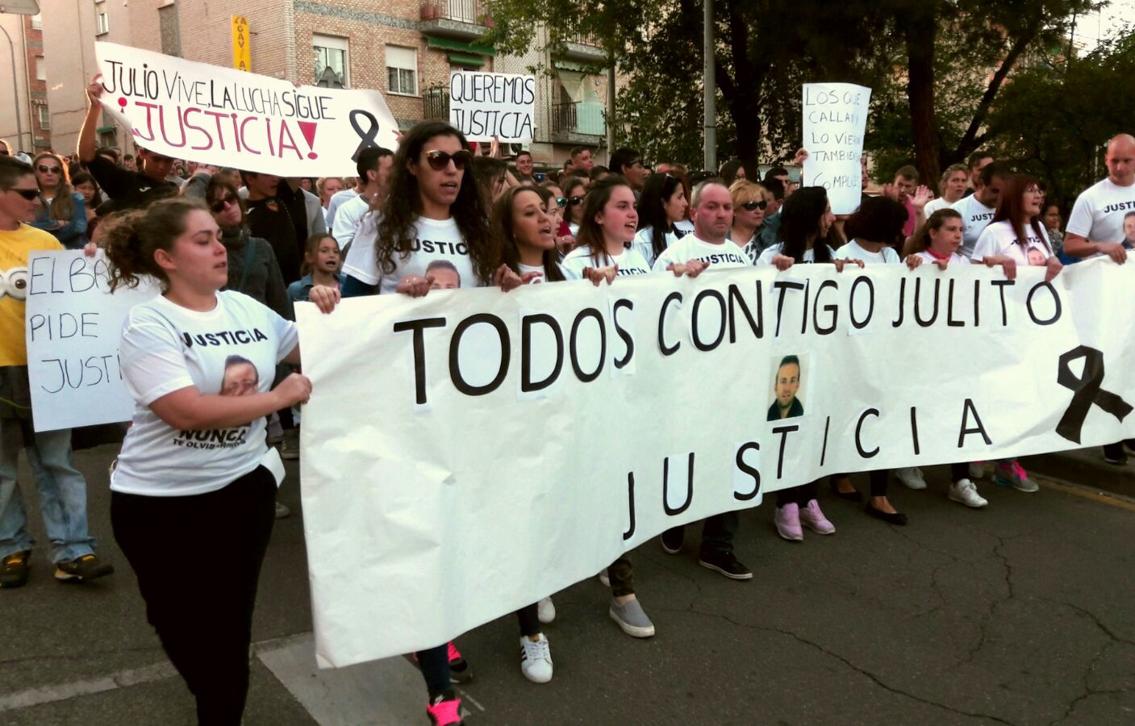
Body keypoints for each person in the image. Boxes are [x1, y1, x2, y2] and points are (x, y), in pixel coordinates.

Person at [102, 196, 328, 724]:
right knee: (177, 622)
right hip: (157, 505)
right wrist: (278, 398)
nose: (219, 248)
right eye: (201, 240)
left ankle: (219, 708)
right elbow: (184, 411)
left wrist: (342, 303)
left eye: (218, 237)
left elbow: (322, 344)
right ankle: (212, 687)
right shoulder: (148, 324)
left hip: (240, 493)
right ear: (166, 258)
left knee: (229, 630)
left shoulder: (248, 310)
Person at [332, 120, 524, 725]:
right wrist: (396, 301)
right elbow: (350, 310)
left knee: (458, 521)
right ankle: (439, 686)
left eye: (460, 161)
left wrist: (505, 284)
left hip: (466, 404)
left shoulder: (476, 228)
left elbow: (489, 301)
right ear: (412, 164)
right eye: (438, 159)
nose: (451, 170)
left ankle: (434, 630)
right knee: (424, 529)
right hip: (404, 405)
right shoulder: (378, 229)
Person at [0, 156, 114, 590]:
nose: (37, 201)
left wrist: (89, 265)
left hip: (46, 370)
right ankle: (10, 548)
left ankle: (72, 548)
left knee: (57, 463)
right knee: (3, 470)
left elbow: (73, 301)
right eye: (28, 194)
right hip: (1, 371)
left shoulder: (44, 244)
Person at [653, 180, 754, 578]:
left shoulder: (741, 258)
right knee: (685, 455)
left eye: (727, 207)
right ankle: (673, 519)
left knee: (732, 457)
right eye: (712, 207)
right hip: (688, 383)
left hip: (731, 381)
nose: (722, 214)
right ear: (694, 213)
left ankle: (718, 545)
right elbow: (658, 320)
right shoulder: (673, 256)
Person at [972, 174, 1063, 490]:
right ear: (1013, 196)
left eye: (1040, 190)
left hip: (1030, 328)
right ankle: (984, 450)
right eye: (1031, 191)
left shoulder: (1040, 231)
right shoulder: (995, 231)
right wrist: (993, 261)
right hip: (999, 328)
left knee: (1021, 395)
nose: (1038, 195)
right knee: (997, 393)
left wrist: (1053, 264)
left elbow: (1043, 269)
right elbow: (969, 274)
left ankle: (1007, 460)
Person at [901, 209, 990, 509]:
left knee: (960, 411)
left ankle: (960, 479)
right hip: (924, 357)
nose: (958, 235)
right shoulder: (917, 263)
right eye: (951, 229)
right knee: (921, 410)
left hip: (958, 355)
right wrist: (915, 270)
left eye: (961, 230)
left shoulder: (965, 263)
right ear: (932, 232)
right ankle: (907, 459)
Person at [78, 76, 180, 210]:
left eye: (168, 161)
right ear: (142, 153)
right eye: (156, 159)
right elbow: (87, 156)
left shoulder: (175, 191)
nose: (161, 166)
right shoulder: (126, 182)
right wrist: (95, 108)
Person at [560, 176, 652, 280]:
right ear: (599, 216)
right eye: (622, 206)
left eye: (634, 207)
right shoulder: (575, 263)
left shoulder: (638, 258)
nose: (633, 214)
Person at [331, 146, 395, 253]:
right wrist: (372, 219)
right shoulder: (347, 210)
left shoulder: (403, 206)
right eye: (390, 169)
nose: (397, 173)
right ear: (372, 174)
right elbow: (344, 251)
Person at [951, 161, 1011, 258]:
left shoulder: (1012, 209)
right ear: (982, 184)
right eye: (995, 191)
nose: (999, 197)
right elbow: (950, 250)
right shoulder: (958, 210)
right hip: (970, 270)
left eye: (1004, 192)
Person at [29, 152, 88, 249]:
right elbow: (23, 228)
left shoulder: (76, 198)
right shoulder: (27, 199)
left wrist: (41, 229)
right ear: (35, 172)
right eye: (43, 169)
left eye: (55, 170)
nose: (49, 173)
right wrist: (56, 224)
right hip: (38, 255)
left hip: (70, 256)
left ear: (61, 173)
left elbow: (78, 227)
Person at [631, 172, 688, 266]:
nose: (685, 203)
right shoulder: (641, 241)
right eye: (679, 197)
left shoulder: (680, 238)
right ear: (663, 202)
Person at [287, 233, 343, 304]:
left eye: (336, 251)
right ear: (309, 257)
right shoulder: (295, 289)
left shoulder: (348, 285)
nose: (332, 255)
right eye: (324, 251)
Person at [728, 179, 772, 263]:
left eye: (762, 205)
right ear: (734, 210)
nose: (758, 211)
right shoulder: (717, 238)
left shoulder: (771, 237)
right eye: (751, 205)